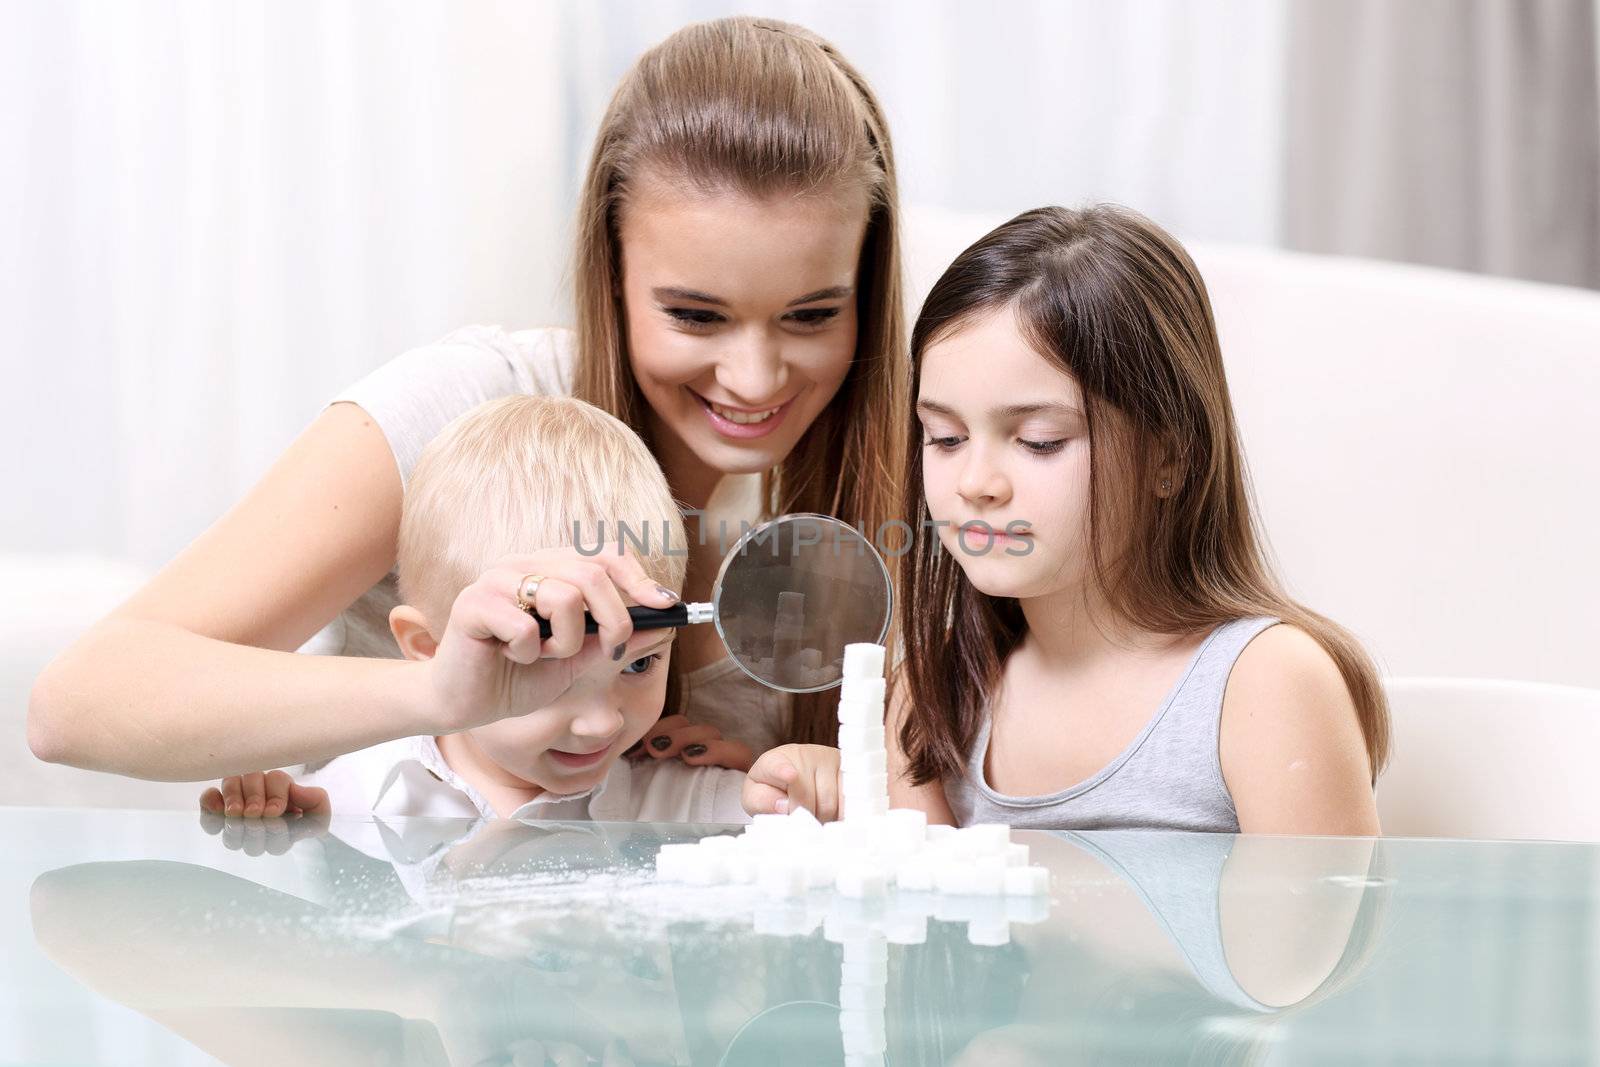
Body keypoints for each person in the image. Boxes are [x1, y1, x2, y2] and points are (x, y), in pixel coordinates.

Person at [29, 16, 907, 783]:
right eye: (694, 315)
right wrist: (442, 692)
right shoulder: (472, 408)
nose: (754, 379)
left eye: (810, 314)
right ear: (611, 274)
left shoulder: (908, 483)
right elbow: (77, 704)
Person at [889, 204, 1389, 836]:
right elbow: (928, 933)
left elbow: (1316, 937)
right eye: (945, 436)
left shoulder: (1268, 684)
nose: (976, 484)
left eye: (1040, 441)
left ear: (1169, 457)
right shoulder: (935, 690)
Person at [201, 394, 755, 823]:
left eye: (639, 663)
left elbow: (814, 834)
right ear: (429, 650)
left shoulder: (683, 801)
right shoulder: (356, 802)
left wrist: (814, 784)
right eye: (544, 663)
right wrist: (280, 832)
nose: (601, 722)